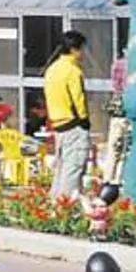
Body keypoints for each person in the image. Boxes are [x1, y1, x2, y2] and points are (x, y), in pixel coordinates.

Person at [43, 33, 94, 199]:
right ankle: (65, 205)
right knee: (74, 167)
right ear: (73, 49)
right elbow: (78, 99)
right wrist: (85, 121)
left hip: (59, 124)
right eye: (81, 49)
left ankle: (54, 201)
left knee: (62, 168)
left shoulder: (52, 69)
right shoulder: (72, 71)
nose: (83, 53)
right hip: (74, 124)